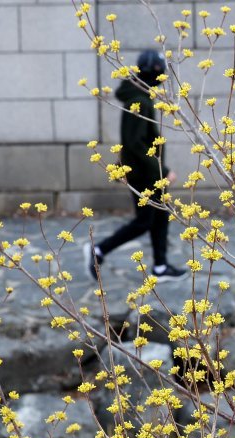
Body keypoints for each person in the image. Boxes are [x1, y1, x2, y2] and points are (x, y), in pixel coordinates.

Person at [86, 50, 184, 281]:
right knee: (143, 222)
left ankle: (160, 267)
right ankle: (99, 250)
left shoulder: (141, 96)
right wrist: (164, 171)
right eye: (161, 75)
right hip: (144, 174)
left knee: (161, 216)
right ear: (155, 74)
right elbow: (134, 143)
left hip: (150, 172)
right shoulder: (138, 101)